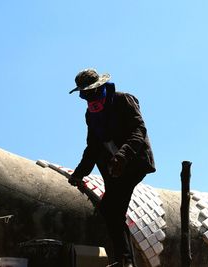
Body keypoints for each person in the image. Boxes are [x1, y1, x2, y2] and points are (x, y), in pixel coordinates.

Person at [68, 68, 156, 267]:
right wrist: (79, 173)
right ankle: (124, 258)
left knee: (112, 209)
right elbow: (92, 146)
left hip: (132, 163)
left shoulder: (124, 100)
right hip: (112, 167)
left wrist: (123, 156)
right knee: (110, 210)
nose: (89, 98)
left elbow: (138, 130)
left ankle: (125, 259)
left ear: (100, 87)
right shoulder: (90, 115)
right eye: (85, 94)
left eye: (91, 92)